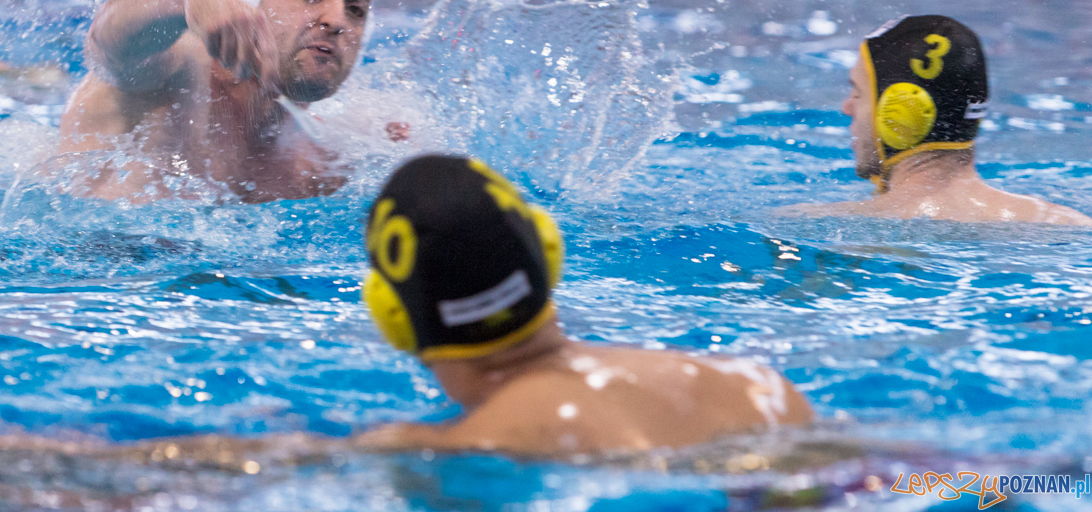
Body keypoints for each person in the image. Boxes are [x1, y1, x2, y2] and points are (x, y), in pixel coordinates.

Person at [347, 155, 814, 455]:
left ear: (394, 318)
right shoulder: (754, 389)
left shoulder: (461, 449)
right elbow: (888, 484)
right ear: (547, 256)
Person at [55, 0, 403, 202]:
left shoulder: (318, 165)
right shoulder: (179, 73)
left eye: (355, 10)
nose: (337, 20)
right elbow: (108, 44)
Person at [782, 15, 1092, 225]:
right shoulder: (1065, 223)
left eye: (858, 93)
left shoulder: (820, 224)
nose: (846, 107)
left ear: (901, 113)